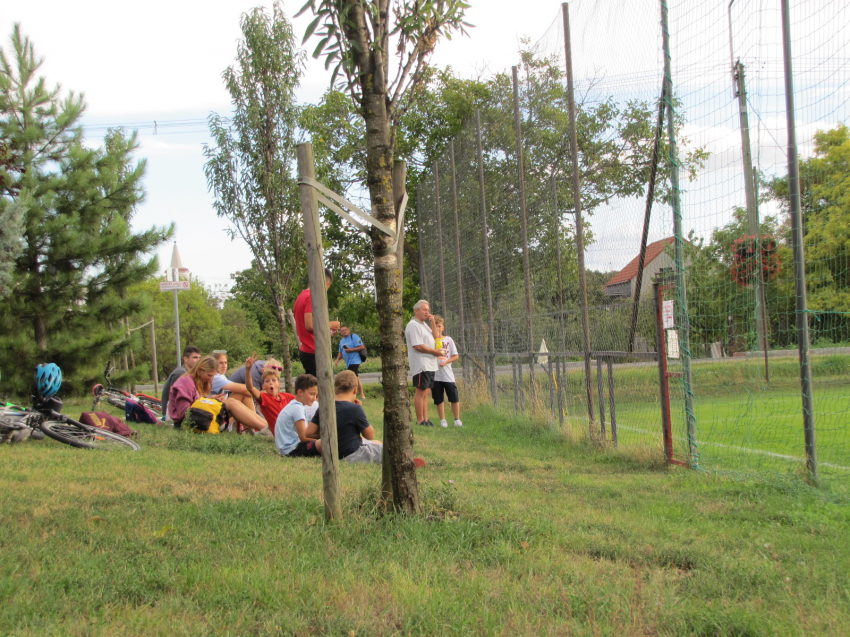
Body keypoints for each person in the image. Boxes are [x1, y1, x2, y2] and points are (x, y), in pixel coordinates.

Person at [308, 370, 382, 463]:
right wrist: (359, 410)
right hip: (353, 454)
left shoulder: (325, 407)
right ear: (355, 389)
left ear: (334, 389)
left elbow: (309, 433)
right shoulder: (354, 409)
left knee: (377, 444)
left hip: (335, 454)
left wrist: (333, 434)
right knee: (389, 451)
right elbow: (369, 435)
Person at [294, 268, 340, 377]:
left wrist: (327, 332)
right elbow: (309, 325)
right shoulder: (311, 296)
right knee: (324, 387)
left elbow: (300, 328)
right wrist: (330, 324)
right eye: (328, 287)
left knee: (313, 389)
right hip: (313, 351)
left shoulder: (301, 296)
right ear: (327, 283)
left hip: (307, 349)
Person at [404, 299, 441, 427]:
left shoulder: (424, 324)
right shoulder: (413, 325)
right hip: (421, 364)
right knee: (421, 390)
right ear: (417, 311)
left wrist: (433, 322)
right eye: (425, 310)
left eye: (428, 310)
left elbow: (436, 337)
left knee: (427, 392)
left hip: (430, 363)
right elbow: (417, 346)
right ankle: (420, 420)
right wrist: (434, 352)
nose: (427, 312)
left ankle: (426, 418)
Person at [242, 352, 295, 435]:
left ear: (279, 384)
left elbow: (302, 400)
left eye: (273, 380)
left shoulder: (286, 396)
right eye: (267, 381)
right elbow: (250, 388)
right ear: (263, 386)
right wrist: (248, 369)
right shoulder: (264, 398)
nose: (271, 383)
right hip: (282, 435)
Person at [275, 374, 322, 458]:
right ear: (300, 392)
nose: (314, 398)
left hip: (287, 449)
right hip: (292, 450)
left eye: (316, 395)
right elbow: (304, 437)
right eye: (312, 394)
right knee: (324, 443)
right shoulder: (297, 408)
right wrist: (319, 440)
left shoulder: (294, 405)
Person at [167, 355, 220, 427]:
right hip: (185, 423)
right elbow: (185, 413)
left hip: (196, 419)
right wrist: (210, 406)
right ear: (200, 370)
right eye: (209, 375)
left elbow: (196, 403)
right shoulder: (186, 382)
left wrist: (212, 401)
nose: (211, 379)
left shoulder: (197, 382)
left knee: (230, 402)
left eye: (213, 376)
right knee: (230, 404)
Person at [431, 315, 463, 428]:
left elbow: (456, 356)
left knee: (453, 397)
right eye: (435, 326)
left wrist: (446, 362)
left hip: (447, 375)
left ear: (443, 327)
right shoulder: (430, 340)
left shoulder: (448, 340)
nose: (437, 328)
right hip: (435, 375)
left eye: (439, 326)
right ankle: (443, 420)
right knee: (439, 398)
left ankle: (457, 420)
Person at [161, 346, 201, 421]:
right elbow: (173, 397)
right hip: (173, 414)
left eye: (199, 358)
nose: (198, 360)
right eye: (195, 358)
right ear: (185, 359)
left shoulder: (187, 373)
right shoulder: (181, 373)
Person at [334, 325, 366, 400]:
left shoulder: (354, 336)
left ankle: (352, 394)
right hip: (348, 362)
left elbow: (361, 347)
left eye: (345, 330)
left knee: (351, 377)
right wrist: (338, 359)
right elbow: (341, 352)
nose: (344, 331)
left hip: (355, 360)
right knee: (356, 378)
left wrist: (350, 350)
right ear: (341, 333)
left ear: (349, 330)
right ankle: (361, 395)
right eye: (342, 330)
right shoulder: (342, 341)